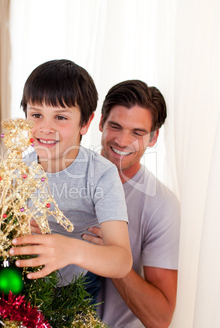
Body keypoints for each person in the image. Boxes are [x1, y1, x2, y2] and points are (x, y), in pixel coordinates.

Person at [9, 59, 132, 303]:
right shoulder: (18, 169)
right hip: (24, 282)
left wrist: (70, 249)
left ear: (85, 123)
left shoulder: (101, 174)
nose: (45, 128)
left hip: (73, 288)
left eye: (61, 118)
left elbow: (122, 261)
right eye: (36, 115)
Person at [82, 80, 180, 327]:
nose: (123, 141)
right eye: (115, 126)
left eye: (137, 132)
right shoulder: (63, 176)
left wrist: (114, 259)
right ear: (101, 123)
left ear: (153, 137)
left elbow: (160, 318)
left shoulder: (161, 205)